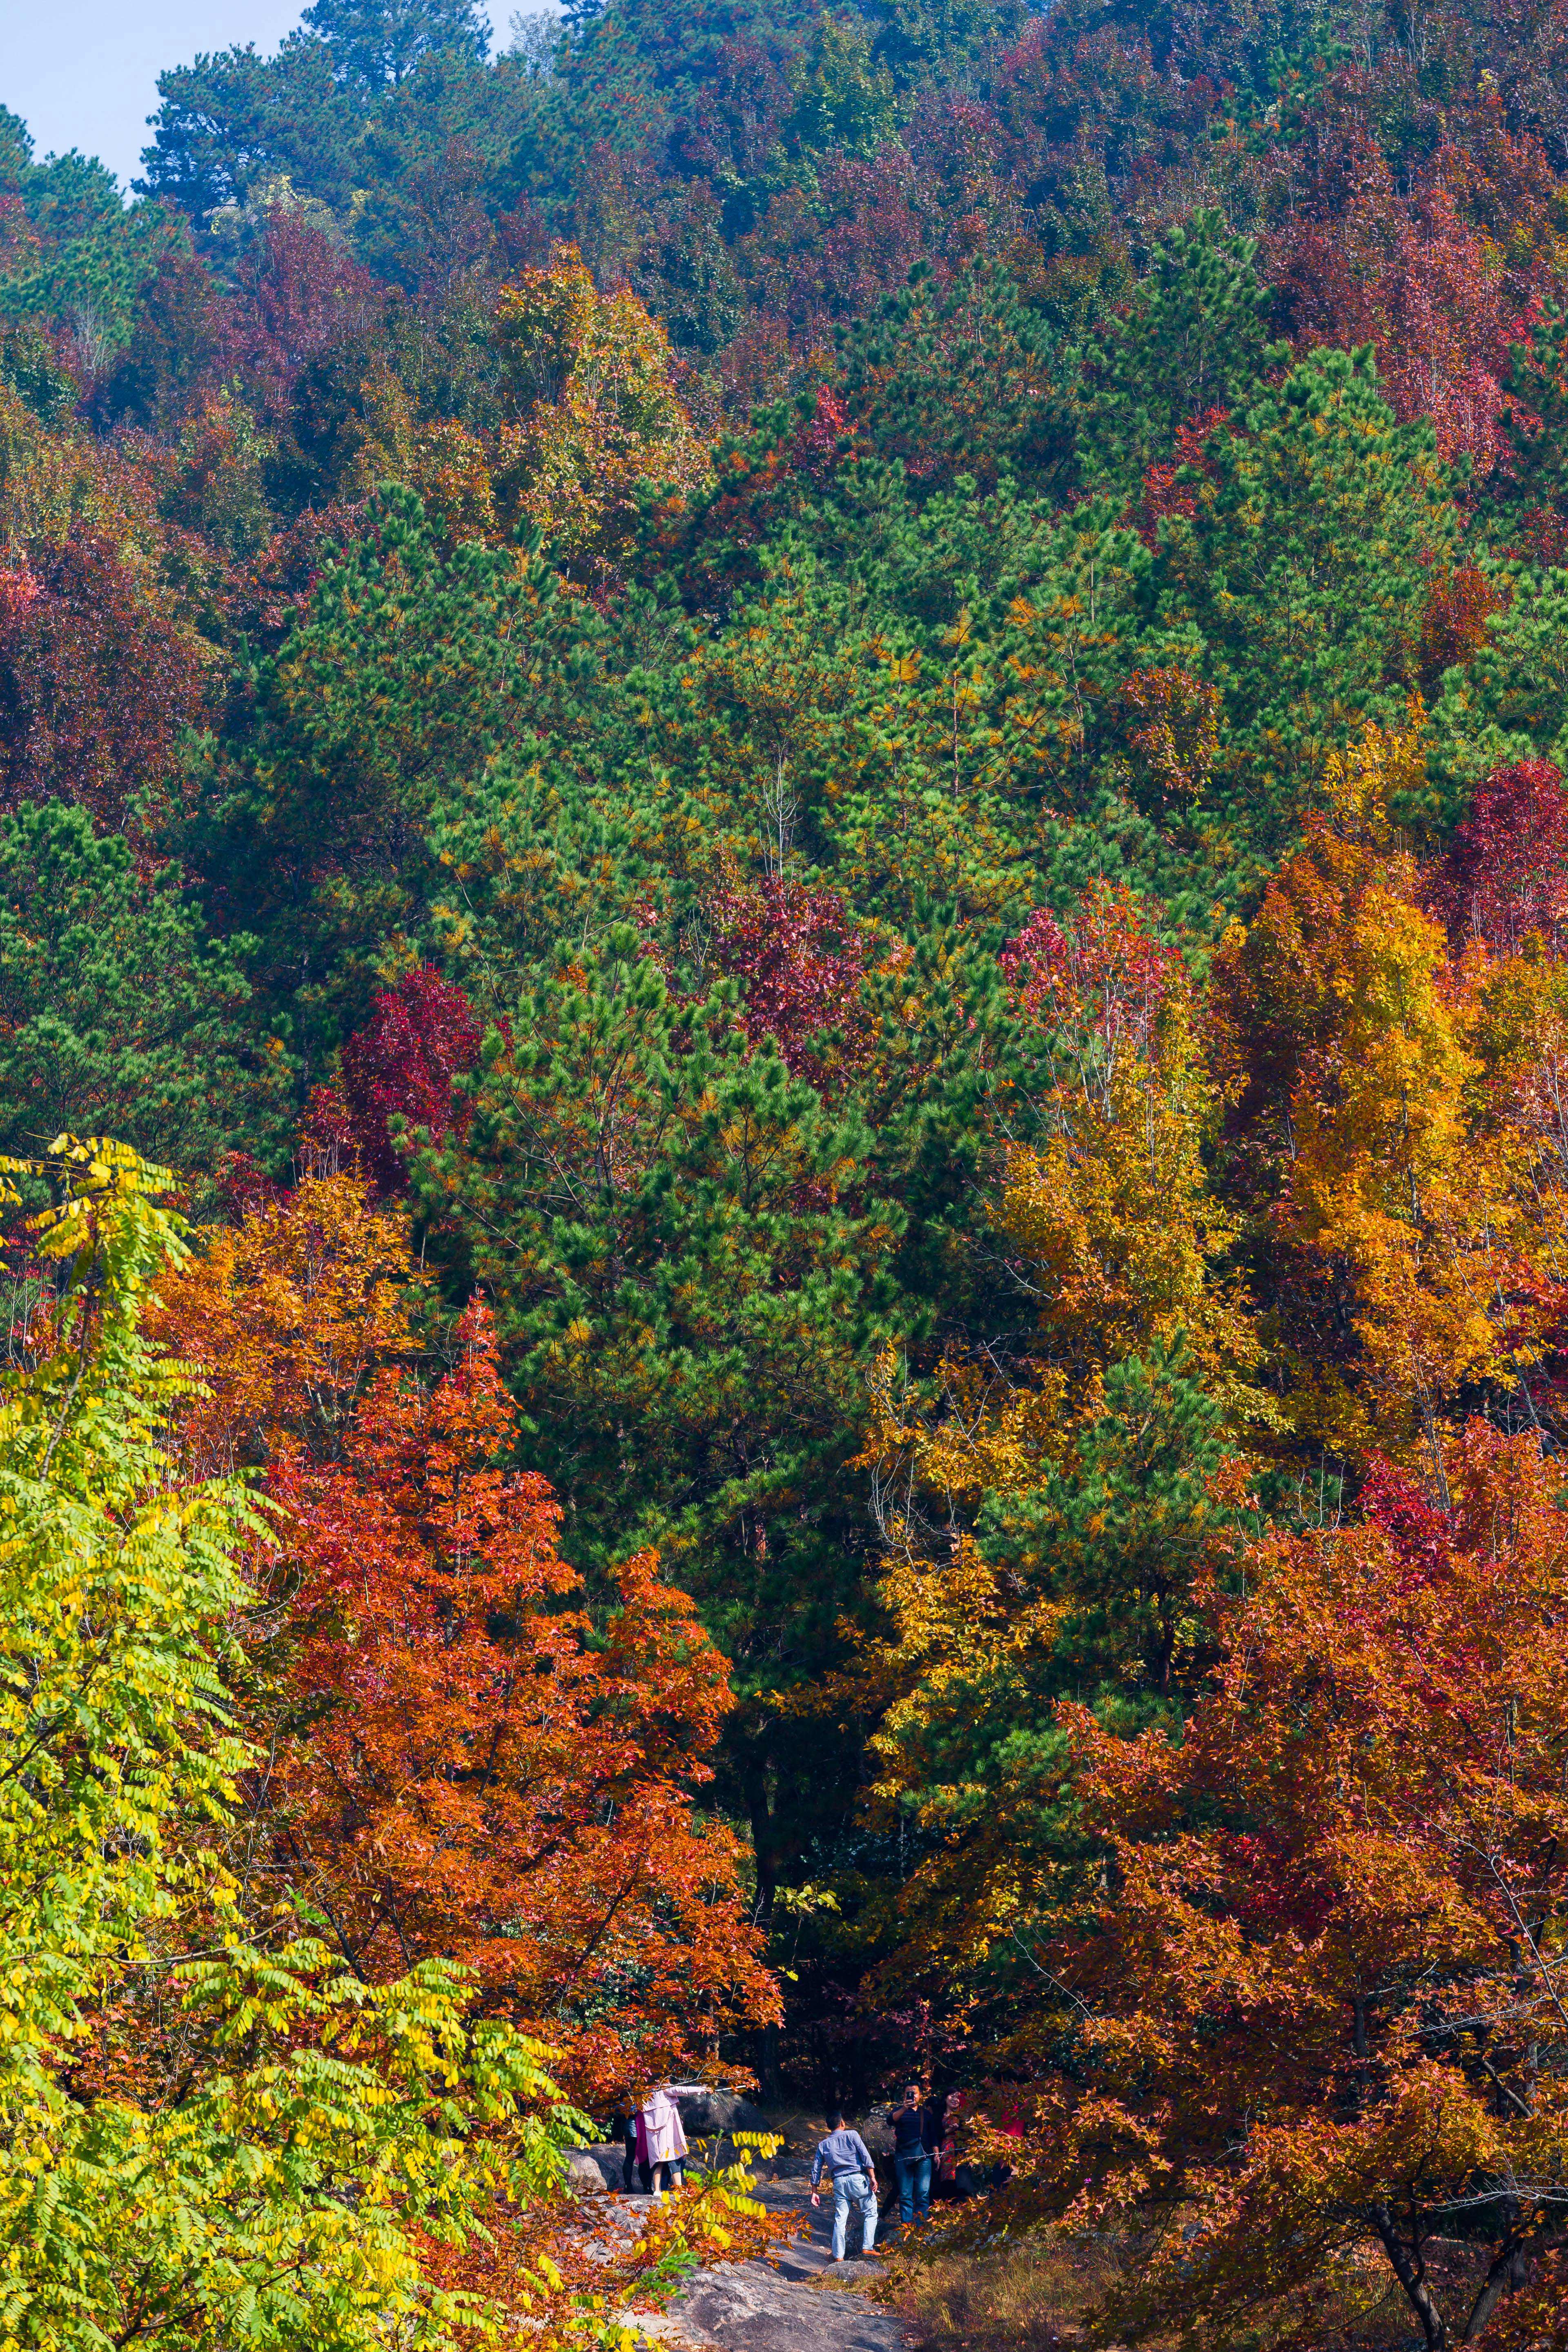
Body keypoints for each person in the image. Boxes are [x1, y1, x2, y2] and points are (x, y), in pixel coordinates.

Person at [810, 2109, 879, 2262]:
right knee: (871, 2212)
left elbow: (817, 2168)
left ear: (829, 2127)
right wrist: (873, 2177)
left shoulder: (823, 2145)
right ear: (842, 2123)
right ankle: (867, 2247)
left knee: (841, 2219)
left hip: (839, 2183)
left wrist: (815, 2191)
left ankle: (839, 2256)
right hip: (857, 2179)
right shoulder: (852, 2135)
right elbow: (865, 2155)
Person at [887, 2082, 932, 2227]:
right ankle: (907, 2227)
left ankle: (921, 2228)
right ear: (904, 2095)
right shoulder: (899, 2111)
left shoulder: (926, 2113)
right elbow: (890, 2121)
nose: (913, 2095)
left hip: (924, 2156)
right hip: (903, 2155)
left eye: (915, 2093)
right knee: (905, 2194)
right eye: (909, 2093)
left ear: (920, 2095)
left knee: (923, 2194)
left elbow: (934, 2134)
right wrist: (905, 2108)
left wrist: (936, 2152)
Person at [640, 2084, 688, 2196]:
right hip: (669, 2136)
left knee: (659, 2162)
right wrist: (703, 2090)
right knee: (675, 2159)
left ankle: (657, 2190)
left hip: (654, 2138)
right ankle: (679, 2190)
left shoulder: (645, 2093)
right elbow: (682, 2090)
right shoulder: (664, 2088)